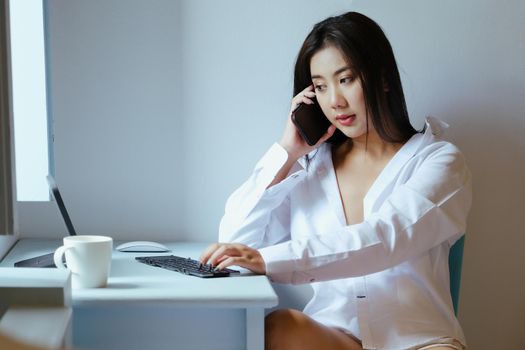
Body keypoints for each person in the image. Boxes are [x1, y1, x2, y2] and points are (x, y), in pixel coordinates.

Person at [200, 11, 471, 350]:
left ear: (383, 78)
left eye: (346, 80)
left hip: (420, 342)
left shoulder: (439, 161)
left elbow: (386, 238)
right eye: (321, 87)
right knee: (278, 328)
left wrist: (270, 261)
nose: (335, 101)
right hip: (335, 339)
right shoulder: (310, 168)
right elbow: (235, 240)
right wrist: (287, 152)